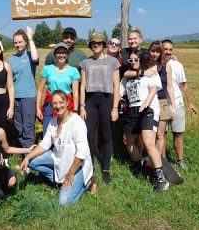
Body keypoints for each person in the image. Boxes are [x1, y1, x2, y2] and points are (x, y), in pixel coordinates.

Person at [19, 91, 94, 206]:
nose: (58, 106)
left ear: (68, 102)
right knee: (32, 161)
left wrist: (70, 173)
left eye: (61, 102)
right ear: (51, 105)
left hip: (78, 166)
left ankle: (88, 182)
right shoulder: (53, 122)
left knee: (64, 202)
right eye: (54, 103)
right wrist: (27, 157)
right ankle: (57, 180)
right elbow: (45, 144)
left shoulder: (77, 122)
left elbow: (82, 153)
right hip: (59, 158)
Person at [120, 52, 169, 191]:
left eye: (136, 59)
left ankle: (161, 178)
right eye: (131, 59)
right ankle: (137, 165)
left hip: (148, 110)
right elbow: (120, 93)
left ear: (141, 60)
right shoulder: (127, 77)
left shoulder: (151, 73)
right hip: (132, 110)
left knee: (148, 143)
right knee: (127, 141)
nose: (133, 61)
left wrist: (146, 103)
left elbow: (154, 90)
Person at [79, 32, 120, 184]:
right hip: (90, 100)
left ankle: (106, 168)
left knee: (106, 134)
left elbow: (116, 86)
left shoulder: (113, 61)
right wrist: (82, 106)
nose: (96, 45)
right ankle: (90, 165)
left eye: (99, 43)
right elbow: (83, 86)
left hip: (106, 100)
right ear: (91, 45)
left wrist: (115, 107)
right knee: (88, 135)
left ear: (104, 45)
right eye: (94, 43)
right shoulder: (85, 63)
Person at [162, 39, 199, 169]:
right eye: (165, 49)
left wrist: (190, 103)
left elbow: (184, 85)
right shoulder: (154, 63)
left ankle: (180, 160)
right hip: (161, 104)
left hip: (177, 103)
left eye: (170, 50)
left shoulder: (178, 65)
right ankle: (163, 158)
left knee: (178, 133)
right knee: (162, 134)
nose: (167, 52)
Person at [37, 42, 80, 135]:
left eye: (64, 52)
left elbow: (75, 92)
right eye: (59, 52)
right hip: (50, 104)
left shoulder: (73, 71)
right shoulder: (47, 69)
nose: (61, 55)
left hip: (67, 105)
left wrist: (76, 110)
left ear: (68, 55)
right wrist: (37, 108)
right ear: (55, 55)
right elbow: (40, 89)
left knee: (65, 134)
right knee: (48, 132)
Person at [144, 41, 177, 157]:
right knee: (149, 133)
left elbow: (169, 87)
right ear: (149, 51)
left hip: (162, 102)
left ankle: (159, 161)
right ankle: (150, 158)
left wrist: (173, 106)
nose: (155, 54)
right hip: (148, 102)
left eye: (158, 52)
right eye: (153, 51)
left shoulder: (166, 66)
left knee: (160, 134)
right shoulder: (144, 65)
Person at [8, 26, 39, 149]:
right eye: (15, 42)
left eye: (20, 41)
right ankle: (23, 151)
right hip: (15, 97)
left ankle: (29, 156)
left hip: (28, 96)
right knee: (18, 127)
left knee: (28, 126)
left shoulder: (31, 56)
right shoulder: (11, 60)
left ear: (25, 42)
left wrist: (31, 38)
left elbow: (36, 58)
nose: (17, 44)